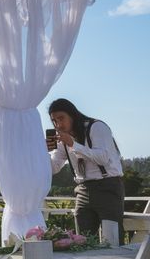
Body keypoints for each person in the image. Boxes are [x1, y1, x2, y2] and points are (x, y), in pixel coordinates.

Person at [47, 98, 125, 244]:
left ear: (72, 114)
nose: (58, 124)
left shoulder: (97, 127)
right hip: (82, 191)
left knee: (112, 241)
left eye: (61, 118)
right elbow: (53, 167)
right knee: (83, 241)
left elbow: (103, 158)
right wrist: (42, 152)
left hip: (108, 187)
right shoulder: (62, 140)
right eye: (54, 121)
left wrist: (72, 144)